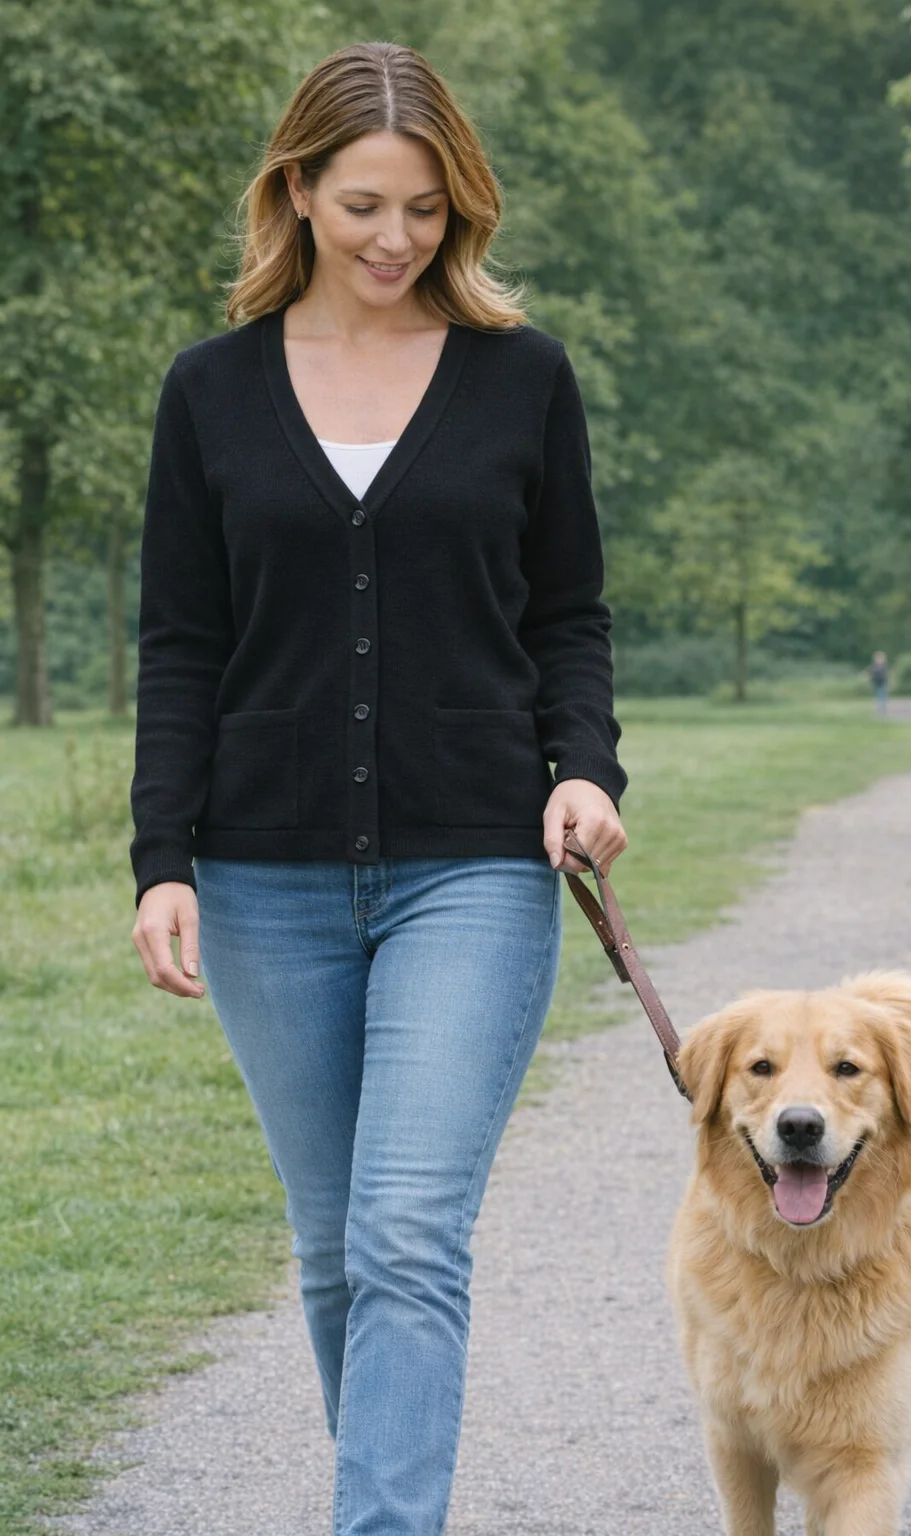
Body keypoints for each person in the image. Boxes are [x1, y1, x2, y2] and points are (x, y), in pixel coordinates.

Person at [128, 40, 628, 1536]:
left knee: (407, 1229)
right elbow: (181, 641)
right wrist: (162, 858)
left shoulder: (524, 378)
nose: (396, 238)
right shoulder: (209, 390)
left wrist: (584, 769)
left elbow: (568, 615)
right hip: (261, 877)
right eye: (363, 206)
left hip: (473, 865)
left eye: (425, 208)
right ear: (296, 191)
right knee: (339, 1245)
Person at [869, 650, 889, 717]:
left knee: (884, 695)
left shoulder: (884, 667)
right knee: (879, 695)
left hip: (883, 683)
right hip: (877, 683)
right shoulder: (874, 667)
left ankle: (883, 708)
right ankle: (880, 708)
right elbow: (872, 674)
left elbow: (886, 674)